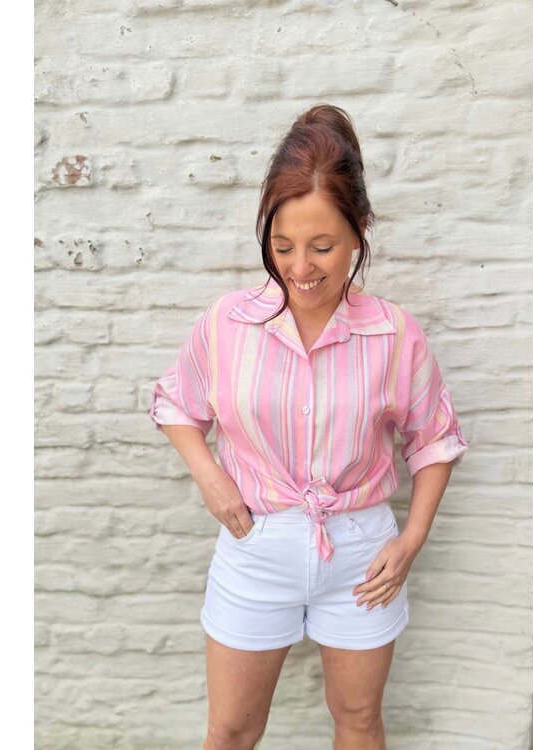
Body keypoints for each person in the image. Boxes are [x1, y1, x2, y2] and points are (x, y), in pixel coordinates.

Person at [149, 104, 469, 750]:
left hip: (361, 554)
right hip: (254, 545)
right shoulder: (228, 324)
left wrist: (412, 537)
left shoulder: (394, 335)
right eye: (282, 246)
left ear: (358, 233)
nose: (300, 267)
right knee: (231, 730)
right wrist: (211, 477)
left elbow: (434, 439)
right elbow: (176, 403)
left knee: (357, 719)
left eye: (322, 247)